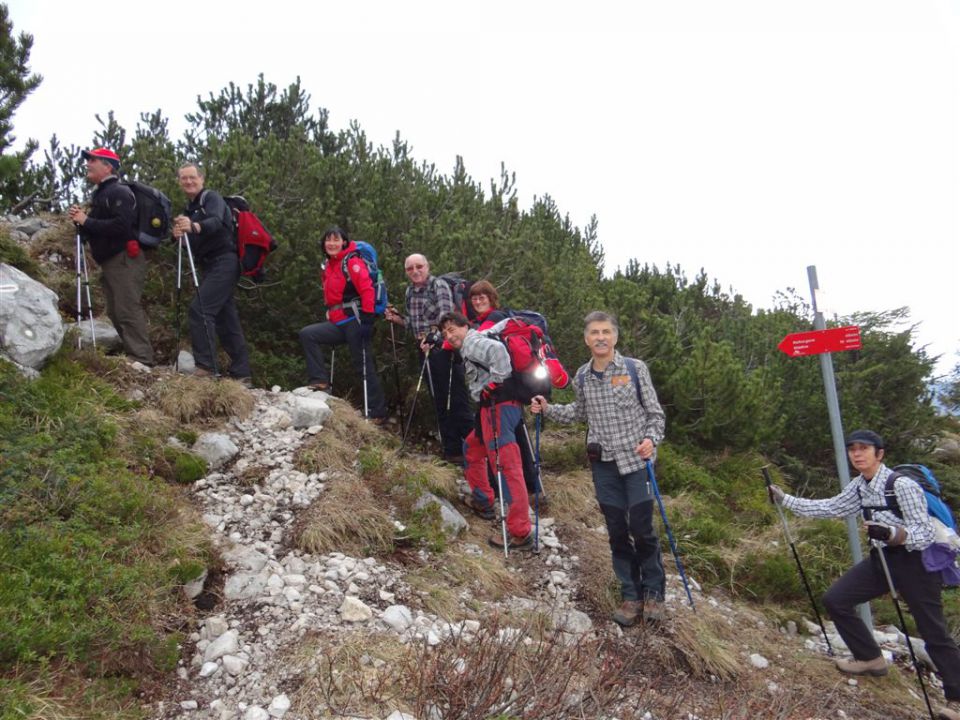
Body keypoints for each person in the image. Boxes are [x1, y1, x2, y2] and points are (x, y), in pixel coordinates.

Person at [769, 429, 960, 720]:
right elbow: (831, 507)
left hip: (916, 564)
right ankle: (870, 659)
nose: (857, 454)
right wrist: (786, 500)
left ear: (879, 454)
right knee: (836, 599)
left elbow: (921, 532)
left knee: (933, 631)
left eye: (864, 449)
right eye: (852, 449)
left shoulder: (902, 485)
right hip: (882, 559)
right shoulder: (860, 486)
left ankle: (956, 700)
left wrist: (894, 533)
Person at [531, 311, 666, 626]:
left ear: (615, 337)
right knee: (618, 531)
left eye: (606, 331)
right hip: (603, 464)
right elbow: (579, 413)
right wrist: (547, 409)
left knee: (642, 529)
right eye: (594, 332)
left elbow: (655, 414)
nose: (601, 337)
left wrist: (651, 440)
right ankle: (631, 595)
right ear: (586, 338)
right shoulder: (581, 377)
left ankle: (654, 594)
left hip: (637, 461)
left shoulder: (635, 369)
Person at [439, 311, 533, 549]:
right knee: (471, 448)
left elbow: (499, 353)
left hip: (497, 408)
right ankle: (483, 500)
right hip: (492, 409)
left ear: (464, 326)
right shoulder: (476, 339)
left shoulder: (472, 343)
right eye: (445, 333)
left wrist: (495, 383)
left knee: (507, 468)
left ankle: (520, 532)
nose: (449, 336)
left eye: (452, 330)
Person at [68, 147, 155, 366]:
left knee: (126, 307)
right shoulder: (103, 193)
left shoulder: (118, 192)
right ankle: (134, 354)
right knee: (116, 311)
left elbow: (122, 226)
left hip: (124, 258)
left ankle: (142, 358)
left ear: (108, 166)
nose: (88, 164)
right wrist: (82, 222)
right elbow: (99, 227)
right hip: (112, 260)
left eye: (93, 160)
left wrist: (86, 221)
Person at [384, 255, 473, 462]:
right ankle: (453, 451)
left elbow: (446, 320)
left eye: (419, 266)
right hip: (423, 349)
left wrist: (433, 340)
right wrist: (397, 319)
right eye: (410, 268)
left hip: (443, 349)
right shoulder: (409, 291)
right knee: (439, 400)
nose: (415, 271)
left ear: (427, 266)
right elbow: (414, 324)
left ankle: (475, 449)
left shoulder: (438, 286)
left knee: (456, 399)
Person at [171, 163, 251, 383]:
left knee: (199, 310)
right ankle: (242, 373)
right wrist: (178, 236)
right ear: (179, 182)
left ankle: (205, 366)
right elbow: (193, 243)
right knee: (226, 318)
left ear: (202, 178)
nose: (188, 182)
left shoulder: (211, 198)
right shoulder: (190, 209)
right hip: (210, 265)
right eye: (184, 178)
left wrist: (193, 227)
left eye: (192, 178)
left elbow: (216, 222)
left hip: (225, 261)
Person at [299, 226, 387, 422]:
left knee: (362, 365)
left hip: (356, 320)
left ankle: (376, 412)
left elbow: (366, 289)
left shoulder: (352, 261)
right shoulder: (329, 265)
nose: (332, 243)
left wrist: (368, 318)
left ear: (344, 242)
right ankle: (320, 381)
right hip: (339, 323)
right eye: (328, 240)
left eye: (336, 240)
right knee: (308, 334)